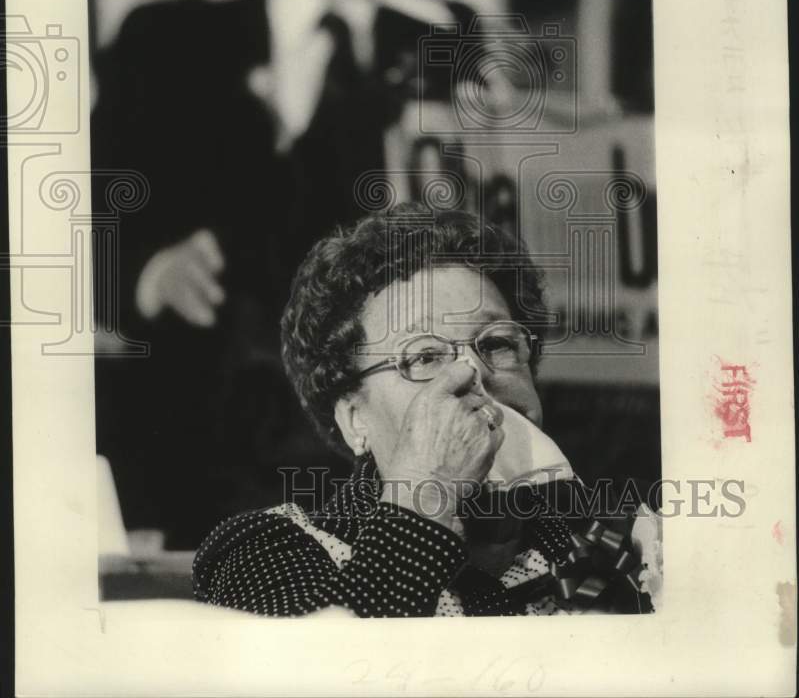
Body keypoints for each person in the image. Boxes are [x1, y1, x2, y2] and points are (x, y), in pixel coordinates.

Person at [91, 0, 475, 548]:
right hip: (205, 474)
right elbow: (74, 223)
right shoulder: (166, 43)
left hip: (401, 474)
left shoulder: (448, 41)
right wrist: (147, 272)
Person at [193, 204, 657, 616]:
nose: (472, 372)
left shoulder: (625, 542)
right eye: (424, 356)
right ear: (355, 419)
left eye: (496, 344)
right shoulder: (266, 550)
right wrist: (427, 493)